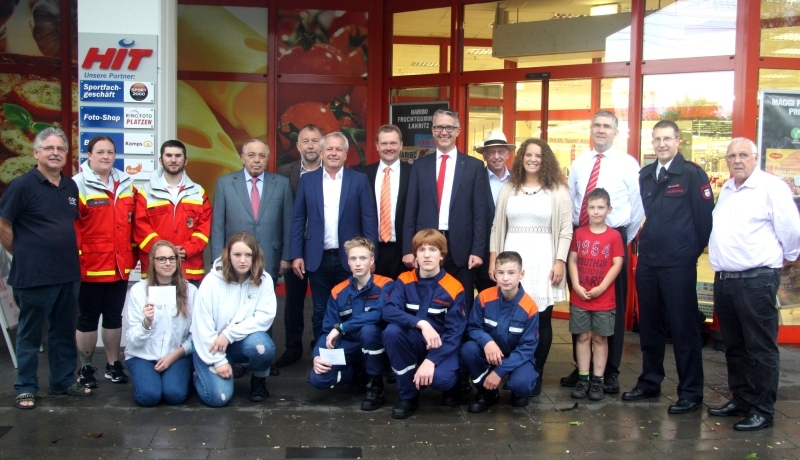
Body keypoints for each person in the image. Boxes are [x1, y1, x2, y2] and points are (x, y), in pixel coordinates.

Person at [707, 138, 800, 431]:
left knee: (760, 348)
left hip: (756, 280)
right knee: (734, 346)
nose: (737, 160)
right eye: (731, 155)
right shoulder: (729, 191)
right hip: (726, 280)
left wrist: (783, 261)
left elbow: (791, 231)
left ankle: (762, 409)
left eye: (743, 155)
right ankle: (742, 399)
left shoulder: (771, 188)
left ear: (755, 157)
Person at [623, 120, 714, 414]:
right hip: (649, 261)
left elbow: (704, 222)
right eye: (657, 139)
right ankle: (650, 381)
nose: (662, 144)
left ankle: (690, 391)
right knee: (649, 326)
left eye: (667, 139)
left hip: (679, 263)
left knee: (683, 328)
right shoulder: (647, 175)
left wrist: (689, 251)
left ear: (678, 141)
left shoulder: (691, 174)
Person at [0, 127, 92, 409]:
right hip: (34, 275)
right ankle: (26, 386)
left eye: (60, 149)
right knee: (30, 333)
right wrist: (24, 253)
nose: (55, 153)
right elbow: (4, 224)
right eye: (49, 148)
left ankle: (62, 381)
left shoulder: (70, 187)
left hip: (67, 273)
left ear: (67, 155)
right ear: (36, 153)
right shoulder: (21, 186)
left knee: (63, 330)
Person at [561, 110, 644, 394]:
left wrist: (621, 239)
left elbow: (638, 206)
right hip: (582, 241)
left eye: (607, 126)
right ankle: (582, 368)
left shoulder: (628, 165)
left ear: (615, 132)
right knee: (580, 304)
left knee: (612, 308)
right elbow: (573, 202)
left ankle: (610, 371)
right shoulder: (579, 164)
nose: (601, 130)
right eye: (596, 125)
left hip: (612, 240)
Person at [489, 138, 572, 396]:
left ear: (545, 160)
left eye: (538, 155)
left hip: (543, 259)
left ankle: (536, 371)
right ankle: (512, 367)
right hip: (511, 258)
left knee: (541, 318)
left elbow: (565, 230)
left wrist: (560, 260)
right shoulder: (508, 189)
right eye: (528, 155)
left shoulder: (557, 190)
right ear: (521, 158)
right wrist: (494, 259)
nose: (533, 159)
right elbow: (496, 227)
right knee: (511, 315)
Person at [210, 139, 292, 377]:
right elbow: (218, 225)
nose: (257, 160)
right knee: (232, 305)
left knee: (265, 306)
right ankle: (234, 356)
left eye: (261, 156)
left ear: (268, 158)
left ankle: (264, 359)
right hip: (234, 260)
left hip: (270, 255)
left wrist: (286, 256)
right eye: (251, 155)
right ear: (242, 157)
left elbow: (288, 222)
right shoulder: (225, 183)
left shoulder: (282, 184)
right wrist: (219, 260)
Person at [290, 131, 378, 343]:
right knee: (320, 308)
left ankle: (350, 356)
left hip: (350, 258)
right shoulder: (308, 181)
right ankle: (322, 354)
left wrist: (371, 256)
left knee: (352, 308)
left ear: (346, 154)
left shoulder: (358, 180)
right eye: (329, 148)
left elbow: (369, 220)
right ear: (321, 152)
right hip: (317, 257)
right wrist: (296, 254)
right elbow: (298, 220)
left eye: (339, 149)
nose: (333, 153)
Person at [402, 109, 489, 312]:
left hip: (462, 248)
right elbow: (410, 211)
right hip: (427, 244)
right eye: (439, 127)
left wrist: (477, 250)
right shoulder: (419, 166)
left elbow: (480, 214)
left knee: (461, 302)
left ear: (458, 131)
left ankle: (458, 343)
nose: (444, 132)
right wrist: (408, 249)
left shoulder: (475, 167)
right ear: (432, 131)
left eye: (449, 127)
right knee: (427, 301)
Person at [73, 135, 138, 387]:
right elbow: (73, 227)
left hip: (119, 267)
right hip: (89, 267)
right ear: (89, 155)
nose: (105, 156)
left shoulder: (126, 184)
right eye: (100, 152)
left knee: (113, 317)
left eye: (110, 152)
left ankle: (113, 364)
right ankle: (86, 367)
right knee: (88, 318)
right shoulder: (77, 185)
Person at [382, 229, 467, 419]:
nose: (427, 255)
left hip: (442, 346)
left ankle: (454, 384)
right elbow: (388, 310)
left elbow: (454, 334)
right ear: (415, 256)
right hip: (415, 340)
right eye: (421, 250)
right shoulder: (404, 280)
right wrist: (421, 323)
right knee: (392, 332)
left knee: (441, 380)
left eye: (433, 250)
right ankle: (408, 397)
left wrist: (431, 361)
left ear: (442, 255)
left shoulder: (454, 288)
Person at [191, 231, 277, 407]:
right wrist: (219, 360)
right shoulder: (211, 282)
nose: (242, 260)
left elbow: (264, 316)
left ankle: (259, 381)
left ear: (255, 257)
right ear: (228, 256)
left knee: (263, 347)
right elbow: (202, 326)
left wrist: (229, 334)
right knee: (218, 398)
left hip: (237, 341)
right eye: (237, 255)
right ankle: (197, 374)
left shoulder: (264, 280)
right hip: (211, 345)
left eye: (248, 255)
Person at [309, 237, 393, 411]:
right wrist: (317, 355)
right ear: (347, 262)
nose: (358, 263)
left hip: (380, 347)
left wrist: (342, 327)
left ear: (372, 261)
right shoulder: (338, 291)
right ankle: (356, 375)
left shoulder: (386, 285)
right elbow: (326, 330)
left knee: (369, 331)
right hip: (351, 348)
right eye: (353, 259)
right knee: (318, 378)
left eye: (363, 258)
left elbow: (379, 315)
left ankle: (376, 387)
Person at [462, 251, 539, 412]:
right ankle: (487, 392)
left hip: (517, 356)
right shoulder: (483, 297)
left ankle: (518, 391)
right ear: (494, 274)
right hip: (491, 354)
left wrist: (500, 372)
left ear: (521, 274)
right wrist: (487, 342)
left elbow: (527, 347)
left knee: (521, 384)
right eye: (501, 273)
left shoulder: (530, 307)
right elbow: (473, 327)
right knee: (468, 349)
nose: (505, 278)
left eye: (511, 273)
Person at [567, 188, 624, 401]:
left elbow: (617, 263)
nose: (596, 212)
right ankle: (583, 378)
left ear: (609, 209)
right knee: (582, 336)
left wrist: (601, 288)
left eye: (600, 207)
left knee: (600, 338)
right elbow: (572, 259)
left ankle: (598, 380)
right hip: (580, 296)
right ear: (586, 209)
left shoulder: (614, 236)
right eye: (592, 207)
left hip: (604, 299)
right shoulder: (579, 233)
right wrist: (575, 284)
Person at [274, 124, 323, 369]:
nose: (311, 145)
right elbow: (281, 215)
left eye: (315, 141)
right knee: (293, 301)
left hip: (323, 249)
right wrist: (288, 252)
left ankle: (321, 346)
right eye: (306, 141)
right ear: (297, 146)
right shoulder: (283, 173)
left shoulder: (333, 171)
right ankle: (293, 348)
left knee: (323, 301)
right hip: (295, 247)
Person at [125, 241, 196, 406]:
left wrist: (174, 356)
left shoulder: (190, 291)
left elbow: (196, 335)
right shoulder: (138, 290)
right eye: (162, 259)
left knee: (174, 395)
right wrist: (146, 323)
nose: (168, 263)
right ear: (152, 262)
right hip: (143, 355)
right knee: (149, 397)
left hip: (177, 355)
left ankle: (182, 378)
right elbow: (132, 340)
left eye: (172, 258)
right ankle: (148, 379)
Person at [134, 140, 212, 287]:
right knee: (156, 310)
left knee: (188, 310)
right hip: (156, 270)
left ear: (186, 160)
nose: (173, 160)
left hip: (189, 268)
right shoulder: (146, 192)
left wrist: (187, 249)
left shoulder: (198, 192)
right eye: (169, 155)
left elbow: (204, 229)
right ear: (160, 160)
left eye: (178, 155)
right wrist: (163, 251)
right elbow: (140, 227)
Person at [356, 124, 411, 280]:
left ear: (401, 145)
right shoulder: (362, 175)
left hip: (404, 251)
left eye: (393, 143)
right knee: (374, 299)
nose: (389, 148)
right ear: (377, 146)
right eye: (384, 143)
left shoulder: (414, 173)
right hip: (373, 249)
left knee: (402, 299)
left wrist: (412, 249)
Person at [475, 130, 512, 293]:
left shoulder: (518, 180)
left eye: (501, 151)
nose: (496, 156)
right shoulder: (475, 179)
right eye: (491, 152)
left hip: (513, 246)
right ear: (484, 155)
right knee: (487, 296)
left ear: (508, 154)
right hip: (483, 251)